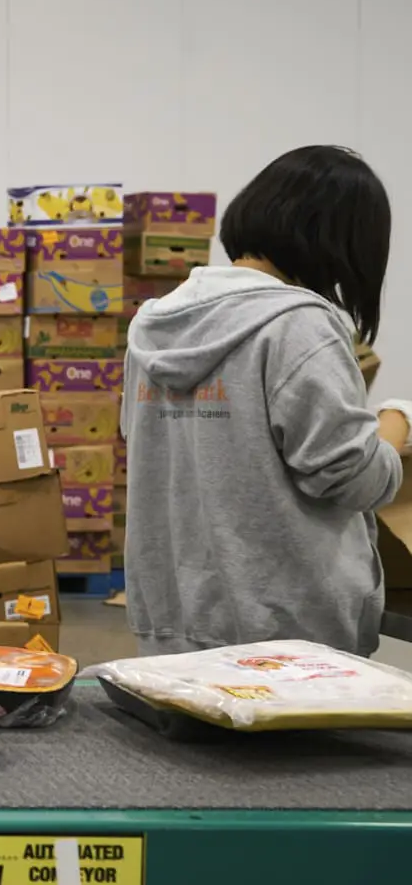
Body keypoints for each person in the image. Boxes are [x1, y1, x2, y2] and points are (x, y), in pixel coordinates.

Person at [122, 145, 410, 657]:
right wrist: (396, 419)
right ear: (341, 240)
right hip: (288, 637)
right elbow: (352, 477)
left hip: (173, 627)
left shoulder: (155, 324)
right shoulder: (298, 325)